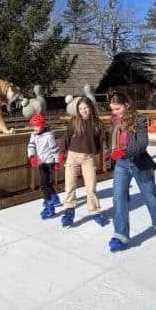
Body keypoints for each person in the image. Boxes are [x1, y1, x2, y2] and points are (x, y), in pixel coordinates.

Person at [107, 92, 156, 251]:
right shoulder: (114, 121)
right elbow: (112, 141)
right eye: (113, 109)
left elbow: (142, 144)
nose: (115, 112)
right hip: (121, 165)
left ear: (126, 105)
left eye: (117, 109)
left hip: (139, 163)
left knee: (150, 197)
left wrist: (124, 153)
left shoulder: (139, 119)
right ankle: (120, 235)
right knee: (119, 199)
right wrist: (108, 154)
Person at [59, 96, 107, 228]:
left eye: (86, 107)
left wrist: (109, 151)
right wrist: (61, 153)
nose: (83, 111)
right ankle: (69, 211)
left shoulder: (97, 123)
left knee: (91, 186)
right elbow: (66, 138)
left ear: (90, 107)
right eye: (80, 108)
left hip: (88, 158)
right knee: (70, 185)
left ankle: (95, 211)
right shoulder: (74, 122)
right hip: (72, 156)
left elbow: (105, 138)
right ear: (78, 110)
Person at [27, 113, 62, 219]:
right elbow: (31, 146)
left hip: (49, 162)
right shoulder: (33, 135)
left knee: (42, 184)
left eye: (37, 126)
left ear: (42, 125)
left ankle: (49, 205)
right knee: (46, 182)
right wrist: (32, 157)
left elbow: (55, 150)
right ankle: (55, 198)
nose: (35, 128)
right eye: (33, 126)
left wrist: (57, 163)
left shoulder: (49, 136)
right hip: (41, 161)